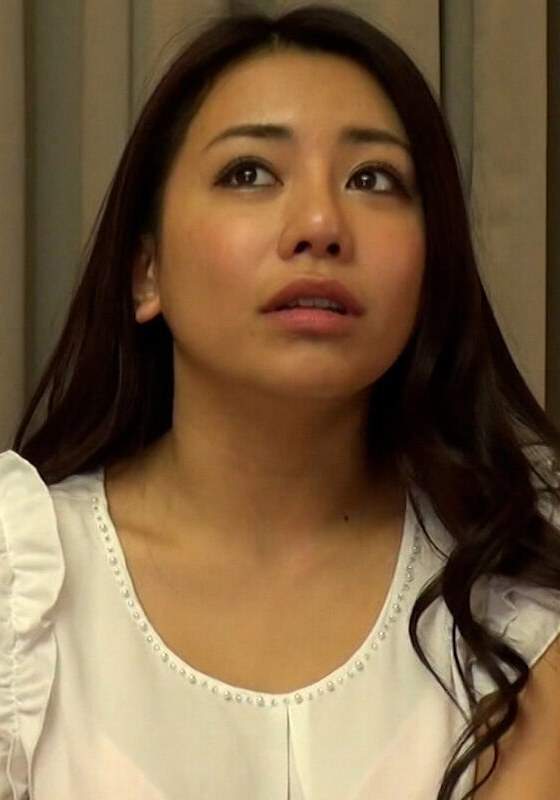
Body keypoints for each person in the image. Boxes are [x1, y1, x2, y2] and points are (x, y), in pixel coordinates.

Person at [1, 4, 560, 798]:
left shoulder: (518, 597)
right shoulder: (20, 585)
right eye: (249, 174)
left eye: (373, 179)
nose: (322, 225)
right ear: (145, 272)